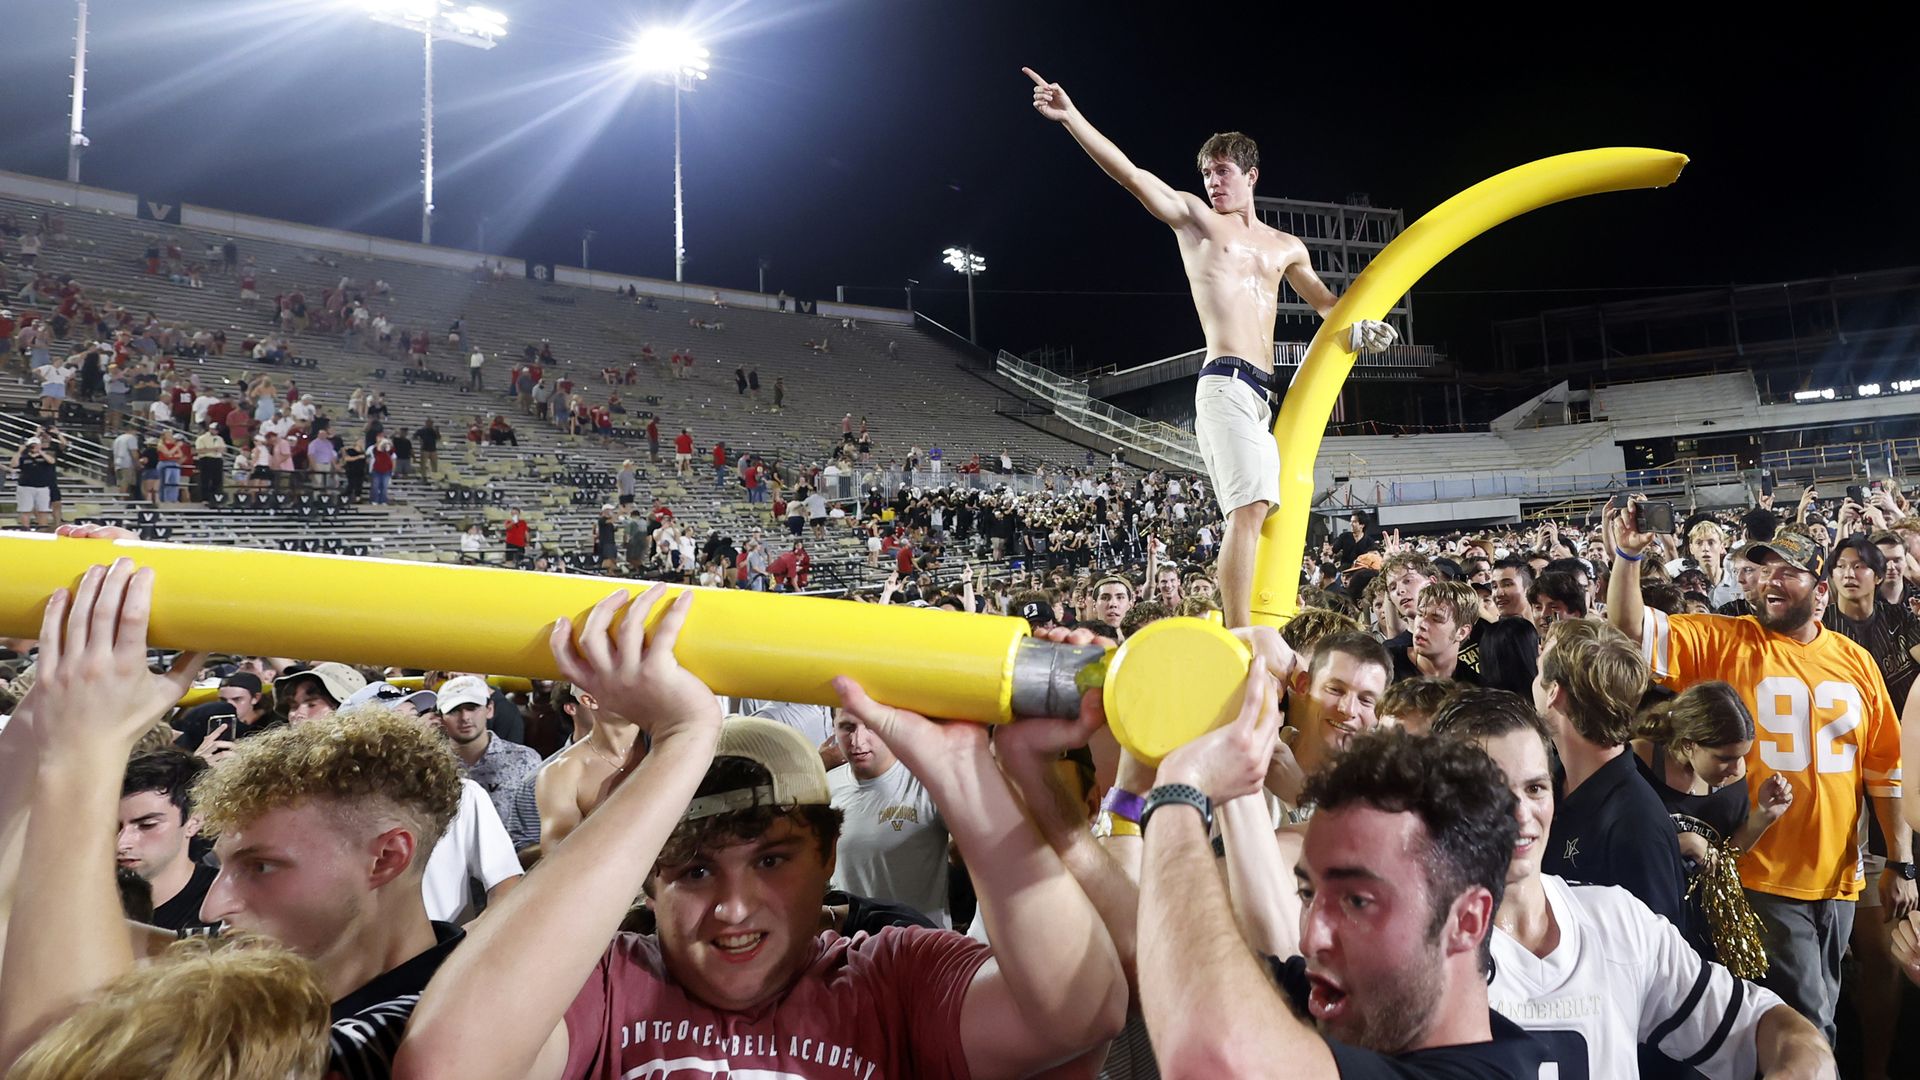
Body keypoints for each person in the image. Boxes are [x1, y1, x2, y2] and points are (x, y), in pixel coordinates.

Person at [393, 587, 1126, 1079]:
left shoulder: (887, 977)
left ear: (828, 856)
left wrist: (965, 772)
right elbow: (448, 1061)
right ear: (648, 876)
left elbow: (1082, 1008)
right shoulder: (610, 984)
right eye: (695, 872)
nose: (735, 908)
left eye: (772, 859)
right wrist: (681, 740)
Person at [1026, 67, 1395, 628]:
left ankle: (1266, 620)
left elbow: (1328, 305)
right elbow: (1131, 175)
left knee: (1272, 513)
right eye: (1205, 173)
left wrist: (1362, 326)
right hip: (1222, 381)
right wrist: (1071, 116)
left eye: (1222, 172)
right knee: (1246, 511)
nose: (1212, 183)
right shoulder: (1197, 222)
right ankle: (1241, 633)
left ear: (1251, 175)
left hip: (1268, 393)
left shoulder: (1286, 247)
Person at [1606, 505, 1914, 1042]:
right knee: (1808, 1023)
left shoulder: (1856, 661)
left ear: (1819, 591)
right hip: (1762, 870)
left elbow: (1884, 770)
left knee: (1826, 1010)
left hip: (1839, 874)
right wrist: (1628, 555)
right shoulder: (1725, 640)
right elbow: (1630, 628)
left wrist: (1900, 862)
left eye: (1788, 571)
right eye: (1763, 568)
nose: (1771, 580)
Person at [1431, 689, 1834, 1079]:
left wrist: (1805, 1063)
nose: (1520, 815)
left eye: (1535, 788)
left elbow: (1763, 1025)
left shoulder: (1617, 922)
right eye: (1488, 791)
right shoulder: (1415, 950)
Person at [1139, 707, 1547, 1075]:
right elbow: (1153, 939)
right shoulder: (1365, 1004)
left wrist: (1178, 790)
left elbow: (1212, 1058)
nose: (1309, 937)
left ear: (1467, 920)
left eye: (1357, 902)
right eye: (1307, 893)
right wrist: (1104, 801)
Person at [1533, 618, 1689, 926]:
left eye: (1538, 674)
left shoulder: (1635, 824)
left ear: (1554, 693)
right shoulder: (1551, 783)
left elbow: (1657, 958)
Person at [1630, 682, 1791, 970]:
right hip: (1642, 914)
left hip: (1702, 923)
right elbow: (1611, 847)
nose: (1736, 768)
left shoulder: (1733, 775)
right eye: (1724, 758)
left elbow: (1726, 858)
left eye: (1742, 756)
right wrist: (1679, 843)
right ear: (1689, 744)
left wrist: (1764, 815)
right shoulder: (1636, 763)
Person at [828, 709, 952, 926]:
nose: (858, 741)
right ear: (833, 728)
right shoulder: (826, 787)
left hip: (922, 945)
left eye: (871, 726)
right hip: (854, 945)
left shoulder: (929, 782)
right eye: (847, 727)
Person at [117, 748, 218, 932]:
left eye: (147, 825)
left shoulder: (223, 905)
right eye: (114, 828)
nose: (122, 843)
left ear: (193, 822)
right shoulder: (85, 898)